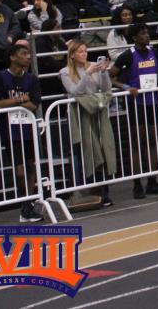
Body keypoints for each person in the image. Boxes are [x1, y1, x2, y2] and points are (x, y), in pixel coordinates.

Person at [110, 24, 158, 199]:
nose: (147, 35)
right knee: (137, 143)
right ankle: (137, 184)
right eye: (143, 33)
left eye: (147, 33)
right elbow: (111, 76)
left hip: (153, 101)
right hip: (136, 103)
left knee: (152, 141)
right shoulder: (127, 55)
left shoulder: (154, 52)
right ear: (134, 38)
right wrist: (126, 87)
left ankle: (152, 181)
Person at [0, 45, 42, 222]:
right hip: (10, 130)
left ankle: (28, 205)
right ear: (12, 57)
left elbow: (34, 104)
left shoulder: (31, 78)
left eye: (29, 54)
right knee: (19, 170)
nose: (28, 57)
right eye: (24, 54)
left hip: (28, 128)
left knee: (31, 165)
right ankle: (25, 203)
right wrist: (20, 99)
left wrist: (12, 102)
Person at [59, 40, 115, 207]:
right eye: (80, 51)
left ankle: (102, 190)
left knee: (102, 147)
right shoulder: (64, 72)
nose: (84, 54)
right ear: (72, 55)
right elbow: (75, 92)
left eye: (85, 51)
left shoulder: (93, 67)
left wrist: (103, 72)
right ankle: (84, 191)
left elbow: (106, 88)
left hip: (96, 111)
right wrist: (87, 74)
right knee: (83, 150)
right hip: (78, 115)